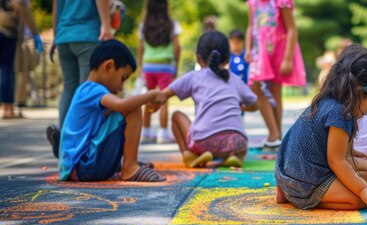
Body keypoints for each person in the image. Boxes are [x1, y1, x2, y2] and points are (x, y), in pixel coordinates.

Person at [274, 44, 367, 211]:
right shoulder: (339, 113)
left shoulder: (337, 102)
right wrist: (363, 191)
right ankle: (298, 197)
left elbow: (336, 151)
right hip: (306, 177)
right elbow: (336, 161)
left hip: (295, 169)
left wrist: (354, 155)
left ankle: (289, 189)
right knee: (359, 200)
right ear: (358, 92)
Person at [59, 39, 166, 183]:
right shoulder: (92, 89)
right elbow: (122, 106)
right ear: (109, 66)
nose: (121, 87)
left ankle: (124, 163)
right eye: (123, 78)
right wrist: (151, 95)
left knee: (120, 115)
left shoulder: (85, 90)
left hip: (82, 167)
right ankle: (130, 168)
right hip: (85, 166)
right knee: (132, 110)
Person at [160, 31, 258, 169]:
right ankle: (233, 156)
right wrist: (243, 107)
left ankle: (189, 154)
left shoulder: (194, 77)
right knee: (238, 140)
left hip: (204, 142)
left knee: (176, 116)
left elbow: (163, 95)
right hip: (236, 142)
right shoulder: (234, 79)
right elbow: (255, 104)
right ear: (228, 58)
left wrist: (152, 103)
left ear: (198, 58)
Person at [47, 0, 113, 157]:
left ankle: (64, 144)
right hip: (87, 34)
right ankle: (82, 148)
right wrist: (106, 24)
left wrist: (56, 36)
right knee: (87, 93)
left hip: (64, 36)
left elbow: (56, 5)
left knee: (69, 89)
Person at [245, 0, 306, 148]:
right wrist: (247, 48)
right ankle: (273, 133)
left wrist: (288, 58)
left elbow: (292, 29)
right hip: (260, 50)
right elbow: (251, 26)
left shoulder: (281, 2)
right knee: (255, 85)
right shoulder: (254, 3)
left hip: (277, 49)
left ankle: (276, 136)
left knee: (275, 90)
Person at [138, 0, 181, 144]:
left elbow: (141, 48)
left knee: (148, 98)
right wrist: (176, 65)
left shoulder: (143, 26)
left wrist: (140, 67)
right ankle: (162, 133)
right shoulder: (172, 25)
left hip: (148, 65)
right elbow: (177, 47)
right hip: (165, 66)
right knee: (163, 99)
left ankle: (146, 131)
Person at [0, 0, 42, 119]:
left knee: (6, 72)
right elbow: (23, 9)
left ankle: (8, 108)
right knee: (7, 71)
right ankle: (8, 110)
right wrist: (35, 34)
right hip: (7, 33)